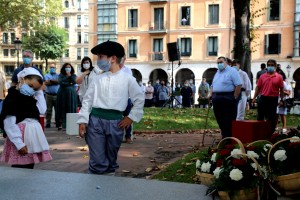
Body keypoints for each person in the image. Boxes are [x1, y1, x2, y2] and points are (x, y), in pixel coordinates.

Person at [77, 40, 144, 175]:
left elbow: (139, 99)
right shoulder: (97, 78)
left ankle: (109, 186)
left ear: (113, 58)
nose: (98, 60)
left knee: (110, 159)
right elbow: (87, 100)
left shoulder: (128, 79)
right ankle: (95, 190)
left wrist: (131, 118)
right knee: (97, 160)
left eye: (101, 57)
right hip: (95, 122)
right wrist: (83, 120)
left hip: (116, 123)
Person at [0, 67, 52, 169]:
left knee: (29, 166)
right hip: (21, 137)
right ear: (22, 79)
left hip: (30, 137)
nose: (32, 90)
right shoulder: (13, 97)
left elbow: (41, 110)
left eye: (35, 89)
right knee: (20, 166)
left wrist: (39, 92)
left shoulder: (30, 98)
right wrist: (19, 143)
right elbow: (9, 123)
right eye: (30, 86)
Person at [210, 56, 242, 138]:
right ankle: (224, 135)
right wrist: (211, 95)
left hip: (228, 97)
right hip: (216, 97)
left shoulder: (232, 71)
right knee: (219, 117)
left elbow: (238, 84)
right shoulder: (217, 72)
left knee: (228, 118)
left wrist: (234, 97)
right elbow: (213, 85)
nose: (219, 64)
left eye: (221, 62)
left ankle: (229, 137)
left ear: (226, 62)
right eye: (218, 63)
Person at [252, 59, 284, 133]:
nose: (270, 66)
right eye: (269, 65)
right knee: (260, 116)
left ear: (275, 66)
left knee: (272, 118)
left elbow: (281, 89)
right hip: (263, 98)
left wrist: (282, 100)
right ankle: (259, 132)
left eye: (272, 65)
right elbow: (258, 87)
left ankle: (270, 133)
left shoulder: (279, 77)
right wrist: (254, 97)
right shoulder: (262, 76)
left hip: (273, 99)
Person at [56, 63, 78, 130]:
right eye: (66, 67)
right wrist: (67, 79)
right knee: (61, 108)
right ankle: (61, 124)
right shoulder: (61, 75)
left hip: (71, 94)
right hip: (62, 94)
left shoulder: (73, 75)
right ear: (64, 68)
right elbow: (60, 82)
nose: (68, 68)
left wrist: (70, 77)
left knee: (71, 108)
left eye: (69, 67)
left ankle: (71, 125)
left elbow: (74, 82)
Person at [44, 63, 59, 128]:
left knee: (57, 110)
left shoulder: (58, 75)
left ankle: (57, 122)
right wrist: (54, 82)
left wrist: (50, 81)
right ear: (49, 68)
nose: (52, 69)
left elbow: (58, 81)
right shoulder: (46, 75)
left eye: (53, 67)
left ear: (56, 68)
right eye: (51, 67)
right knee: (48, 110)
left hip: (57, 95)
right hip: (48, 95)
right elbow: (46, 83)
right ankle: (48, 123)